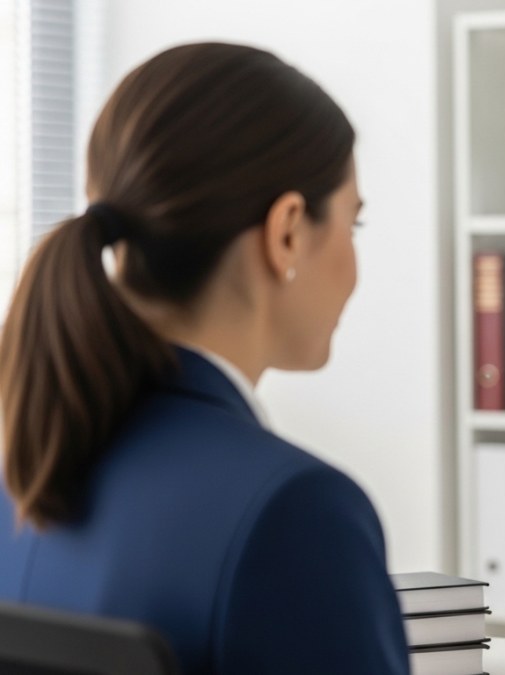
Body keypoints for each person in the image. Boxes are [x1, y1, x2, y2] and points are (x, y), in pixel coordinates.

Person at [0, 43, 410, 674]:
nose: (354, 269)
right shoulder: (297, 514)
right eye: (351, 226)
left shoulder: (25, 467)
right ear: (288, 232)